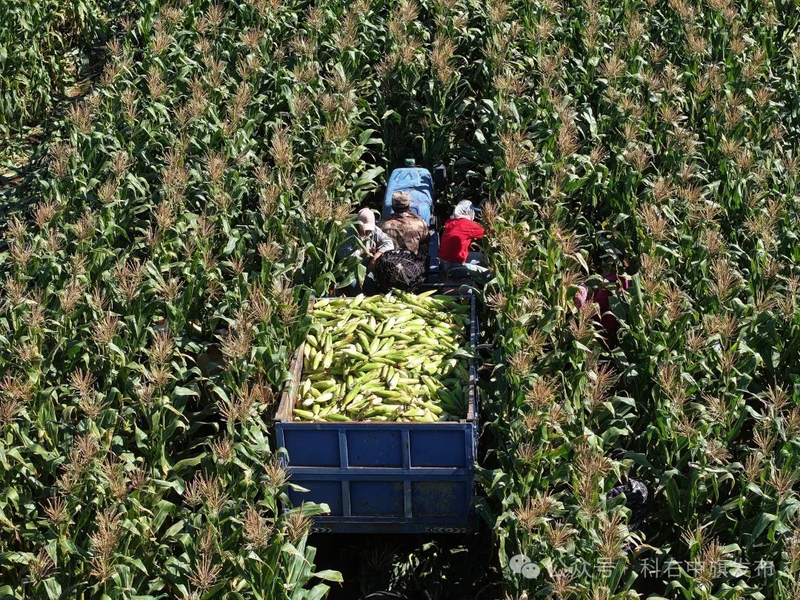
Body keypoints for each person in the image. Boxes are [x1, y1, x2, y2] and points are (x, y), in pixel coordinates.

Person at [338, 208, 394, 294]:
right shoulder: (348, 233)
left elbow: (389, 243)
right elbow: (343, 253)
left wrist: (375, 257)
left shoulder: (375, 230)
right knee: (355, 286)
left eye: (370, 228)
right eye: (365, 228)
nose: (368, 231)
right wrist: (362, 252)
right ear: (358, 224)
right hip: (350, 269)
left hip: (367, 267)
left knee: (370, 284)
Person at [439, 200, 489, 276]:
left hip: (444, 263)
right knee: (488, 274)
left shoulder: (450, 222)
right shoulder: (467, 224)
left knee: (484, 257)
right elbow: (490, 234)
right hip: (454, 267)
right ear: (468, 212)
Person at [380, 191, 429, 256]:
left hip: (389, 262)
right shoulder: (420, 224)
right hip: (411, 262)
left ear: (393, 207)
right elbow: (425, 238)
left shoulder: (382, 226)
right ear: (408, 206)